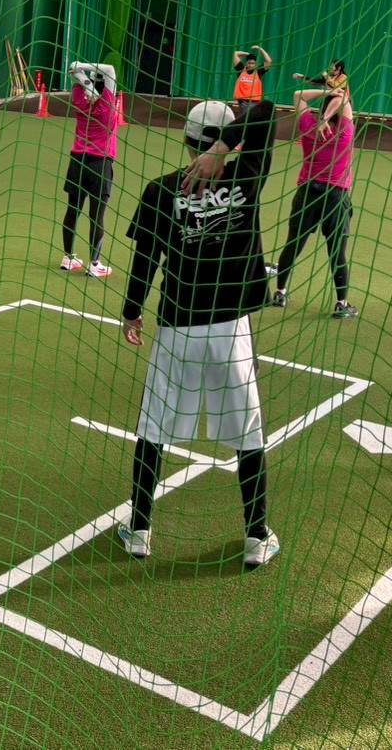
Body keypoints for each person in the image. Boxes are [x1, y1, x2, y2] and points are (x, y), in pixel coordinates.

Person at [118, 99, 280, 569]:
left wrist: (132, 312)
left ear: (188, 141)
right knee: (248, 433)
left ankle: (140, 529)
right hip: (231, 330)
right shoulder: (246, 176)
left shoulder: (161, 189)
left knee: (153, 428)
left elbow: (145, 261)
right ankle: (256, 535)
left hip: (177, 328)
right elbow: (266, 111)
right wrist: (225, 150)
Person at [271, 87, 360, 319]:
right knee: (337, 252)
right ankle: (341, 304)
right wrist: (336, 95)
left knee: (293, 244)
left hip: (307, 194)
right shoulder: (345, 130)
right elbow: (344, 99)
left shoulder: (310, 125)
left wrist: (326, 90)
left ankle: (280, 293)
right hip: (335, 198)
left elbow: (298, 95)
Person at [61, 61, 121, 278]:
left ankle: (68, 258)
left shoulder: (80, 100)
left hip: (77, 162)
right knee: (97, 216)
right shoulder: (107, 104)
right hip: (100, 164)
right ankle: (94, 264)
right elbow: (110, 70)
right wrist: (86, 68)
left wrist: (80, 69)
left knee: (73, 210)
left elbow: (73, 72)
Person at [232, 45, 273, 110]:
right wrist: (248, 54)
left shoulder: (259, 71)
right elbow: (235, 53)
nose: (250, 65)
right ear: (246, 63)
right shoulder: (241, 69)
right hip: (243, 101)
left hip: (255, 101)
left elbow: (269, 61)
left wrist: (260, 49)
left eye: (253, 63)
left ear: (255, 64)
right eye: (249, 63)